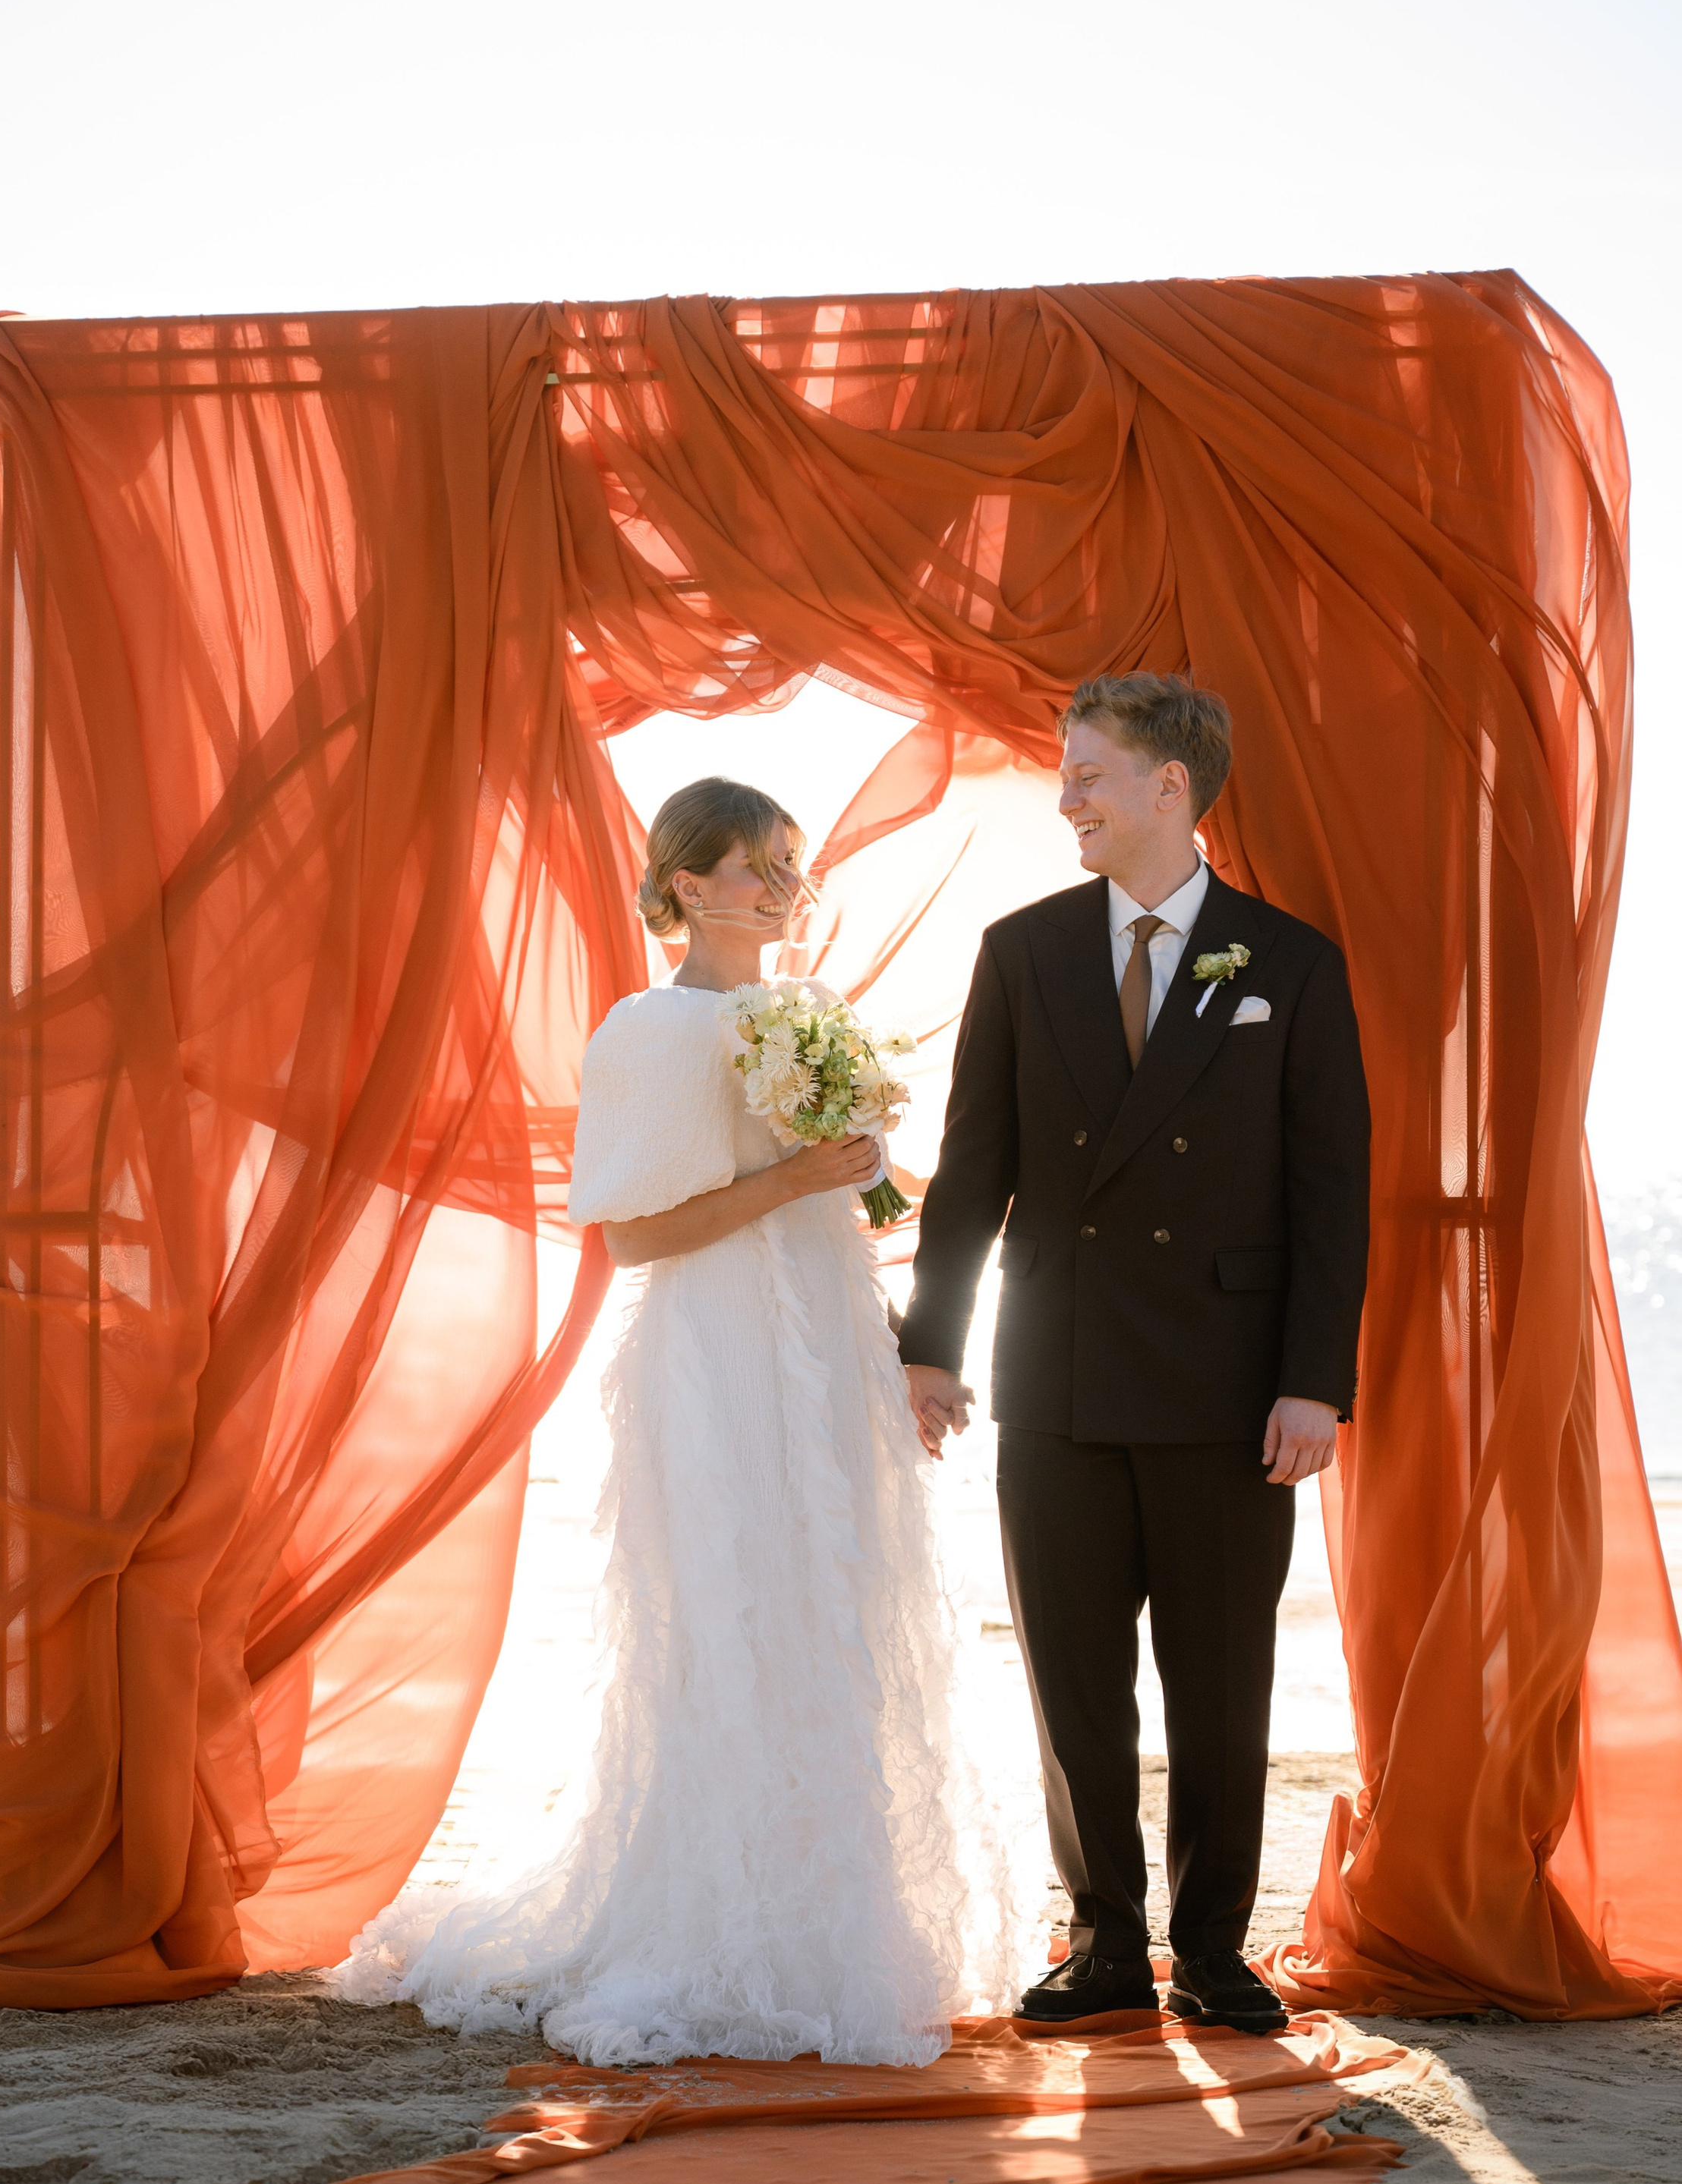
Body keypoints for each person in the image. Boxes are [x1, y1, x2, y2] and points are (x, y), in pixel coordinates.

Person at [338, 776, 1033, 2064]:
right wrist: (792, 1178)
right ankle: (717, 1923)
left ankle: (833, 1925)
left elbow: (862, 1203)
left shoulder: (809, 1017)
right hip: (716, 1355)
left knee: (842, 1612)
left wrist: (915, 1317)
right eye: (756, 863)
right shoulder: (651, 1032)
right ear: (683, 887)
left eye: (790, 862)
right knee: (733, 1617)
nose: (782, 885)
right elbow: (638, 1235)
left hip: (824, 1347)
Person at [900, 675, 1369, 2035]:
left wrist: (1316, 1379)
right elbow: (971, 1173)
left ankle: (1216, 1950)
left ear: (1173, 785)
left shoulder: (1290, 963)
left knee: (1222, 1682)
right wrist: (932, 1347)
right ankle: (1104, 1943)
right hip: (1055, 1373)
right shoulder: (1022, 950)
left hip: (1234, 1390)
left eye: (1089, 775)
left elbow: (1329, 1192)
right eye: (1064, 774)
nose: (1067, 799)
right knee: (1073, 1679)